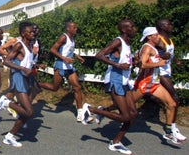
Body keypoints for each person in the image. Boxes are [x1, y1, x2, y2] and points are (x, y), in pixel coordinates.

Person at [81, 19, 137, 155]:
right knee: (125, 117)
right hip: (115, 80)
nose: (135, 29)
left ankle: (116, 143)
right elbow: (99, 55)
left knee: (133, 114)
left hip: (124, 81)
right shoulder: (118, 41)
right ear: (124, 30)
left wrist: (134, 62)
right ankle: (91, 109)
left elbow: (124, 61)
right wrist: (117, 65)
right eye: (132, 27)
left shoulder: (128, 43)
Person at [132, 27, 186, 144]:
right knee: (126, 105)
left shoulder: (154, 48)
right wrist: (159, 63)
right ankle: (101, 110)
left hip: (154, 83)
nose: (158, 37)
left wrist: (162, 59)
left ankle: (168, 132)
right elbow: (142, 65)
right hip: (144, 83)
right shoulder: (147, 48)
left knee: (171, 104)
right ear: (149, 37)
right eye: (156, 35)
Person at [0, 21, 37, 147]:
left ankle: (9, 136)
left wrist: (35, 66)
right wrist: (22, 69)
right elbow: (6, 61)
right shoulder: (19, 45)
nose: (33, 33)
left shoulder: (30, 44)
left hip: (26, 78)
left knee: (25, 113)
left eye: (33, 31)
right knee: (29, 112)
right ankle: (6, 102)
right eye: (30, 32)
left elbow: (27, 61)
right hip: (18, 77)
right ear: (23, 34)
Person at [38, 21, 86, 122]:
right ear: (68, 29)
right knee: (54, 88)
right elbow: (53, 50)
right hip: (60, 65)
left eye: (76, 27)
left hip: (69, 66)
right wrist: (64, 58)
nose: (76, 29)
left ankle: (80, 113)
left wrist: (77, 57)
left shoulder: (72, 38)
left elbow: (69, 51)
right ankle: (36, 84)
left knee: (77, 87)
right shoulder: (63, 37)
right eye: (74, 27)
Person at [156, 19, 187, 141]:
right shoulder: (158, 39)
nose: (171, 26)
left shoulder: (169, 40)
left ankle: (104, 110)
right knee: (174, 98)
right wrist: (161, 56)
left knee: (133, 98)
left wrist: (175, 61)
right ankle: (172, 128)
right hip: (160, 74)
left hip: (167, 72)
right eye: (168, 24)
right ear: (162, 27)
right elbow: (150, 52)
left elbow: (170, 54)